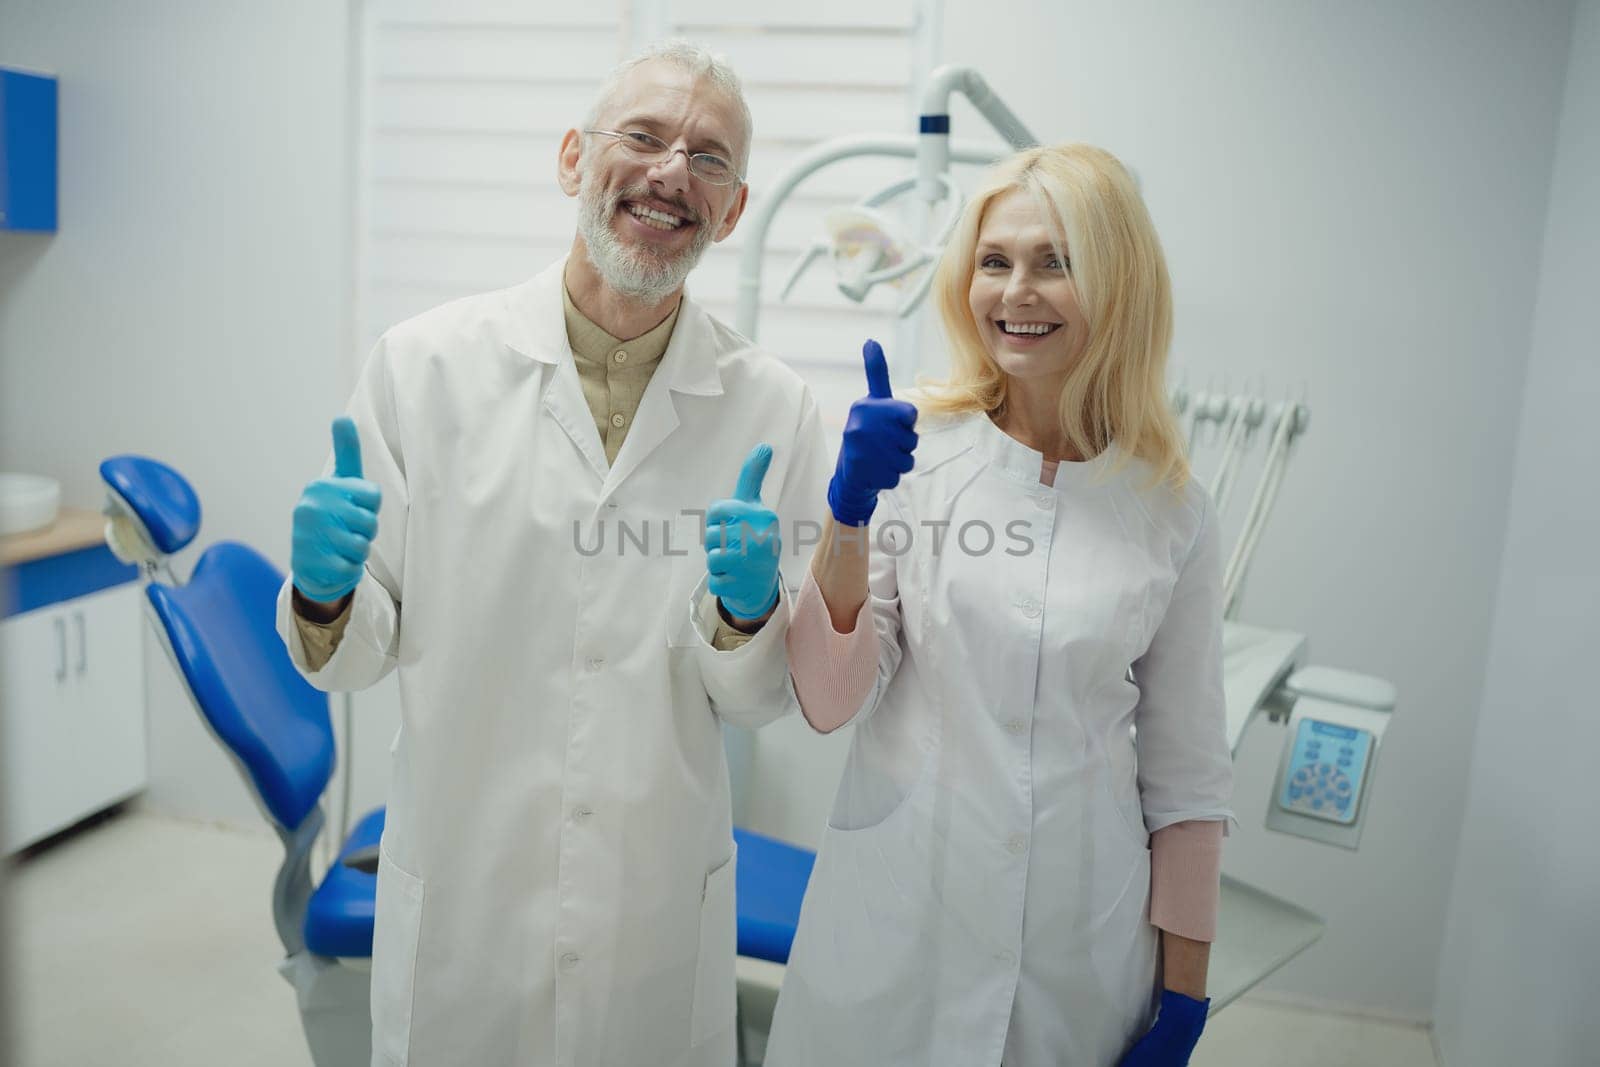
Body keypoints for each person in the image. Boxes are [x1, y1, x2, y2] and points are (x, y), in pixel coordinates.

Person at [277, 41, 830, 1067]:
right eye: (645, 137)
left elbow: (753, 701)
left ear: (735, 209)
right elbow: (355, 655)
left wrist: (748, 617)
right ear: (574, 158)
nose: (673, 172)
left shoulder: (775, 408)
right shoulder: (423, 365)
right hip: (465, 890)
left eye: (709, 159)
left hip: (654, 897)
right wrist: (322, 594)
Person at [764, 143, 1235, 1067]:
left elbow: (1187, 780)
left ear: (1119, 284)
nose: (1017, 291)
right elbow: (827, 697)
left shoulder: (1170, 509)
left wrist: (1185, 995)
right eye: (995, 261)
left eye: (1055, 263)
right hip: (900, 920)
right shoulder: (916, 457)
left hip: (1080, 944)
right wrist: (848, 510)